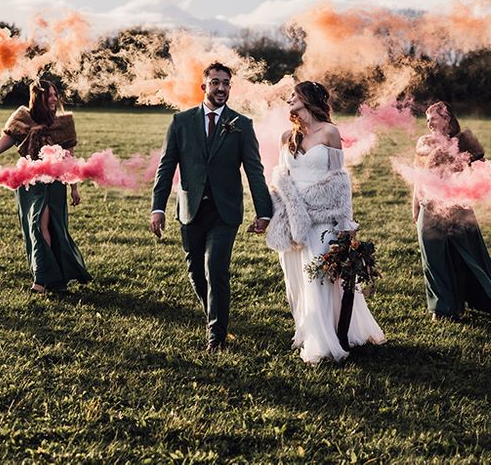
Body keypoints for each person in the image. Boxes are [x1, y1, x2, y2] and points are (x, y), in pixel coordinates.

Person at [150, 62, 273, 353]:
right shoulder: (181, 122)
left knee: (214, 268)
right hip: (190, 209)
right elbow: (166, 167)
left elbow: (254, 171)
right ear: (203, 86)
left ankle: (215, 337)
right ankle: (215, 318)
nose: (221, 88)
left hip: (225, 211)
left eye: (226, 83)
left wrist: (264, 211)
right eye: (215, 82)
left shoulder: (242, 124)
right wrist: (158, 208)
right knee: (195, 272)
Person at [265, 81, 385, 363]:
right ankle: (308, 331)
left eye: (293, 96)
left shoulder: (330, 133)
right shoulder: (287, 137)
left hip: (323, 219)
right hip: (295, 220)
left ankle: (322, 344)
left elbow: (341, 182)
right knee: (296, 280)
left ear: (308, 99)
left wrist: (346, 226)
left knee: (318, 277)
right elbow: (281, 179)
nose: (289, 101)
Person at [0, 79, 91, 294]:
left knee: (50, 228)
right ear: (37, 97)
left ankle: (45, 280)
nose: (53, 99)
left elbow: (70, 157)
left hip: (54, 183)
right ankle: (48, 279)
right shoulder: (21, 119)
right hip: (29, 183)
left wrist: (74, 187)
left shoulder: (64, 122)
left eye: (54, 94)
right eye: (48, 95)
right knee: (36, 227)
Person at [412, 101, 491, 321]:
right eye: (427, 120)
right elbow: (418, 176)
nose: (429, 123)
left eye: (434, 118)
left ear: (447, 118)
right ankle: (442, 309)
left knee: (467, 256)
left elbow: (482, 167)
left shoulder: (465, 140)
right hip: (430, 206)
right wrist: (415, 206)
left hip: (458, 207)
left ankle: (477, 299)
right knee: (433, 259)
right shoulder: (424, 142)